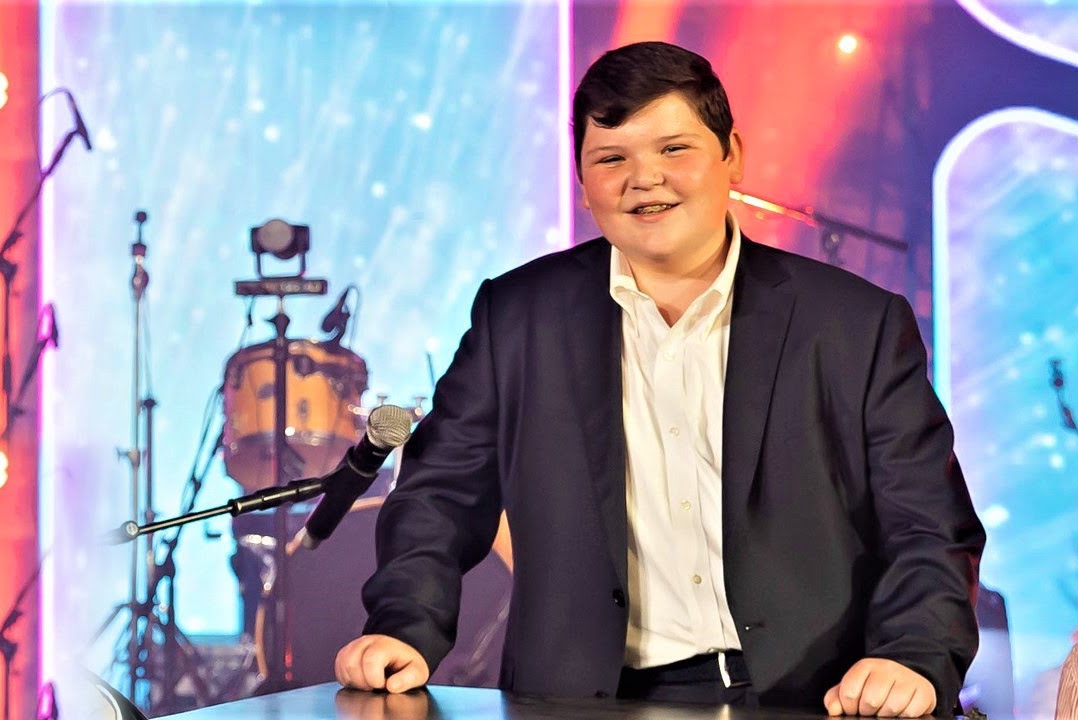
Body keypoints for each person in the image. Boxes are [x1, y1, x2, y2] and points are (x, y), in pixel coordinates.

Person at [335, 41, 984, 718]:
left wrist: (913, 656)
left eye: (674, 149)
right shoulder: (520, 315)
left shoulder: (854, 323)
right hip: (579, 700)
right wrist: (403, 626)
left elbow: (929, 526)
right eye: (611, 159)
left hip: (814, 697)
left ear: (732, 154)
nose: (644, 180)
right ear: (582, 184)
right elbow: (439, 494)